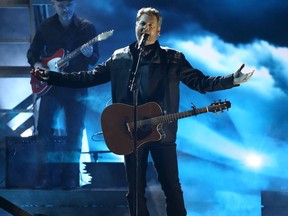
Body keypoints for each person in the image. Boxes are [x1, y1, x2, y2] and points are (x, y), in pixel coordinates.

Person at [31, 7, 254, 215]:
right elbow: (88, 78)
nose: (145, 28)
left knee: (171, 187)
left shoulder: (172, 57)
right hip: (129, 131)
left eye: (150, 25)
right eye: (141, 24)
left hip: (162, 132)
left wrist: (231, 80)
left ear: (158, 30)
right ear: (135, 26)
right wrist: (53, 77)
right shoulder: (121, 57)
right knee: (135, 190)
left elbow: (201, 82)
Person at [27, 0, 99, 190]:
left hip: (76, 87)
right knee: (44, 131)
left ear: (75, 3)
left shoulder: (87, 29)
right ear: (54, 4)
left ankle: (70, 179)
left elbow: (93, 59)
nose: (66, 9)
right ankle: (44, 178)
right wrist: (38, 65)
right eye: (61, 5)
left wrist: (90, 53)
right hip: (52, 87)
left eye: (69, 5)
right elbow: (32, 53)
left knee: (74, 133)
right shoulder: (46, 27)